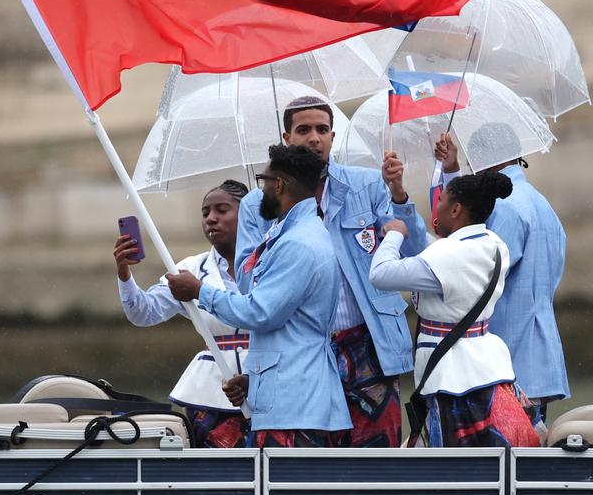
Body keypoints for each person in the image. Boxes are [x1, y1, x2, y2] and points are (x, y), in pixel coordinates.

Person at [240, 97, 428, 447]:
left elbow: (416, 255)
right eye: (303, 130)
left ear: (332, 136)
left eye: (322, 130)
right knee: (303, 469)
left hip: (368, 344)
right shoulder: (258, 203)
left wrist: (399, 195)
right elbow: (246, 280)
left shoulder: (370, 185)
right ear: (286, 137)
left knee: (377, 463)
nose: (314, 138)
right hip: (300, 351)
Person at [166, 145, 351, 447]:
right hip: (289, 396)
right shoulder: (292, 235)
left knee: (283, 493)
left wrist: (200, 291)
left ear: (279, 184)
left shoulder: (298, 244)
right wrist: (255, 381)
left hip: (295, 409)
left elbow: (260, 312)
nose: (260, 191)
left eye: (264, 181)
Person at [369, 172, 541, 447]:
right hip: (487, 365)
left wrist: (394, 236)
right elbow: (433, 253)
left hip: (452, 376)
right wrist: (400, 196)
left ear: (456, 209)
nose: (437, 207)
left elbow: (380, 274)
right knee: (492, 463)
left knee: (455, 466)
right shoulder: (494, 245)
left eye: (442, 201)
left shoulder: (449, 254)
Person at [433, 127, 569, 423]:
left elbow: (477, 275)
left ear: (484, 160)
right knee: (529, 458)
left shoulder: (505, 208)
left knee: (500, 463)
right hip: (540, 357)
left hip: (508, 358)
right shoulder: (543, 205)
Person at [114, 180, 251, 447]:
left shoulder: (273, 261)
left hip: (270, 380)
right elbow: (143, 313)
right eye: (205, 213)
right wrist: (123, 273)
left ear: (248, 213)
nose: (211, 219)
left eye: (222, 210)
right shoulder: (189, 269)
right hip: (212, 390)